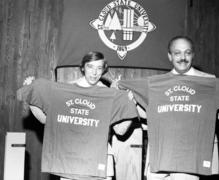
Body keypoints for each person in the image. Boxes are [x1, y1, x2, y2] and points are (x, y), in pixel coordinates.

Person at [112, 36, 219, 180]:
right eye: (177, 53)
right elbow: (149, 114)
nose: (183, 57)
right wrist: (128, 98)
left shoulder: (208, 82)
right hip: (160, 155)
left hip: (190, 157)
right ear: (170, 56)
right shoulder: (156, 84)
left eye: (187, 53)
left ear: (193, 55)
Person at [17, 51, 137, 180]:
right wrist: (31, 96)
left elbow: (120, 131)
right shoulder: (65, 91)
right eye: (90, 67)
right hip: (70, 162)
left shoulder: (109, 95)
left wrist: (131, 105)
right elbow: (46, 120)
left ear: (103, 70)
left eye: (99, 68)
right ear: (82, 68)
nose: (94, 72)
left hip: (100, 163)